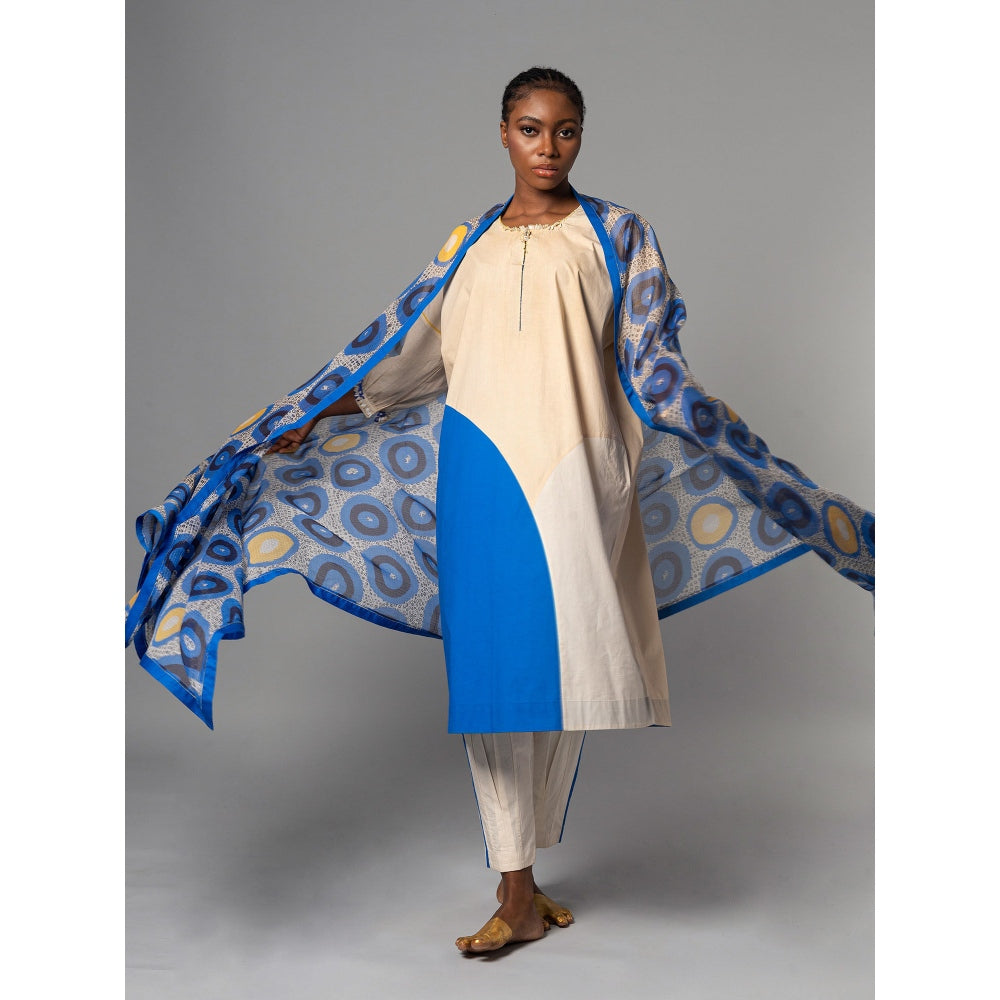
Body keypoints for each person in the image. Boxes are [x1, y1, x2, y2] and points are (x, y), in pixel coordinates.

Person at [126, 67, 874, 955]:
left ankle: (529, 868)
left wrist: (720, 434)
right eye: (530, 128)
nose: (548, 147)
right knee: (492, 677)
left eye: (565, 130)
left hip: (580, 473)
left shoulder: (618, 234)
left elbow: (653, 362)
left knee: (562, 668)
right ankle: (515, 885)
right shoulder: (469, 249)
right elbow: (409, 362)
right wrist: (314, 418)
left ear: (581, 135)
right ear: (504, 132)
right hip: (479, 474)